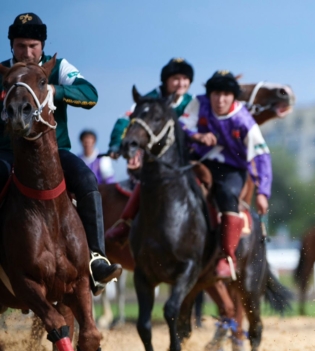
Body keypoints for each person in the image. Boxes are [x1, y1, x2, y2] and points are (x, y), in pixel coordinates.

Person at [0, 12, 121, 294]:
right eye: (20, 46)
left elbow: (90, 94)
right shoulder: (3, 71)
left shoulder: (59, 67)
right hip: (7, 153)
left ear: (42, 46)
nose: (27, 53)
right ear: (11, 46)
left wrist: (53, 89)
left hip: (55, 155)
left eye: (33, 46)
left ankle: (96, 259)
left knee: (88, 181)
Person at [180, 70, 272, 280]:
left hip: (231, 169)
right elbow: (182, 124)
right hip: (197, 161)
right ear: (209, 94)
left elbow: (261, 156)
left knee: (226, 195)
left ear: (233, 96)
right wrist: (198, 136)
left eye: (225, 94)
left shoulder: (244, 121)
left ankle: (227, 258)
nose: (220, 100)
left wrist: (263, 192)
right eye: (215, 94)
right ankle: (126, 225)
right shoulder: (198, 103)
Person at [105, 57, 195, 244]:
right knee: (146, 180)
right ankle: (126, 223)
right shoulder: (149, 100)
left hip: (186, 159)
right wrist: (115, 144)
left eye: (185, 79)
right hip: (154, 159)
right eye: (176, 78)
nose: (181, 83)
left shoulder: (193, 102)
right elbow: (125, 120)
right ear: (166, 80)